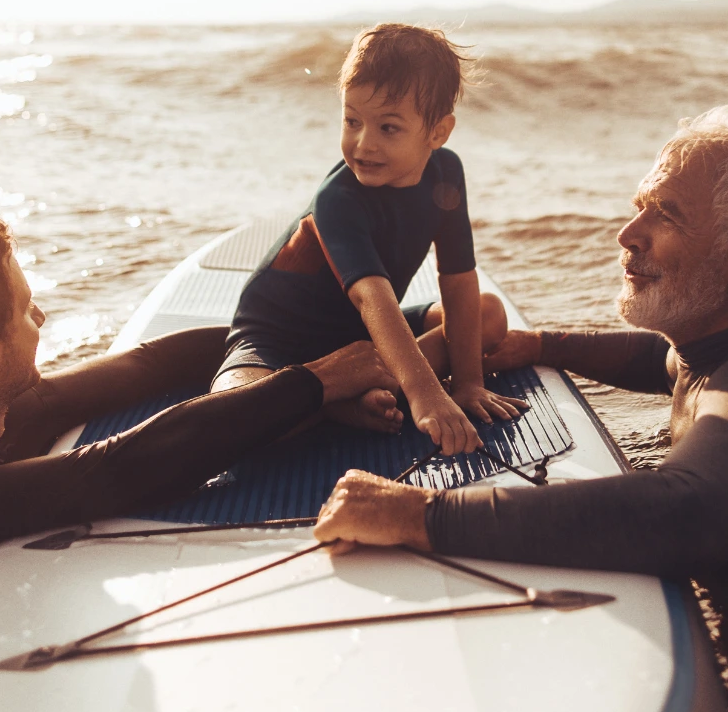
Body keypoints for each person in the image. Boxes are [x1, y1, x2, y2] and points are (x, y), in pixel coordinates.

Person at [314, 105, 728, 574]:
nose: (627, 234)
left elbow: (689, 512)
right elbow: (666, 365)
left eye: (667, 215)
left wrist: (419, 515)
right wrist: (543, 346)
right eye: (641, 206)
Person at [0, 212, 393, 652]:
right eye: (24, 307)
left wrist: (367, 345)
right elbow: (117, 468)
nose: (40, 316)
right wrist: (316, 381)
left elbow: (148, 366)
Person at [214, 24, 522, 455]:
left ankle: (352, 394)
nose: (363, 143)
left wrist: (468, 384)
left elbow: (458, 279)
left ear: (438, 132)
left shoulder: (446, 174)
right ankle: (336, 403)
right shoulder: (337, 199)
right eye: (352, 121)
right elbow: (372, 299)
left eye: (388, 128)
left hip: (364, 341)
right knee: (234, 415)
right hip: (279, 344)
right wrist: (426, 394)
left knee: (487, 313)